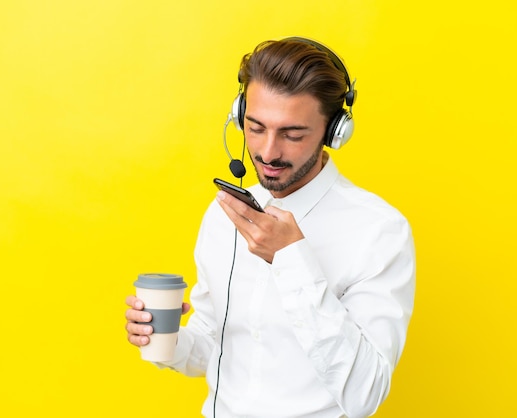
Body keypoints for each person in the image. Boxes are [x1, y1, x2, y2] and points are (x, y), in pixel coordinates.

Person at [125, 37, 415, 418]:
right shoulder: (223, 214)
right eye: (255, 127)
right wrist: (165, 338)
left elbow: (366, 392)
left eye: (293, 134)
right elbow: (214, 343)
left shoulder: (379, 231)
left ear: (334, 132)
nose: (268, 152)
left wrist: (291, 259)